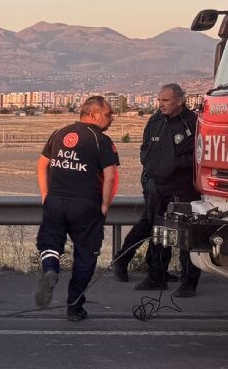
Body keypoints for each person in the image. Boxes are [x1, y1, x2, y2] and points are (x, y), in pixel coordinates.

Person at [34, 96, 120, 321]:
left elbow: (42, 164)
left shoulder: (59, 133)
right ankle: (74, 306)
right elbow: (110, 176)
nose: (112, 118)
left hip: (55, 202)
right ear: (94, 115)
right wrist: (105, 205)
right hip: (85, 206)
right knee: (85, 256)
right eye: (109, 114)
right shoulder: (101, 140)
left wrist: (45, 194)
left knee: (50, 242)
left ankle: (50, 269)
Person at [135, 83, 202, 297]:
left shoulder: (192, 123)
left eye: (165, 100)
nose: (161, 104)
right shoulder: (155, 121)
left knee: (184, 237)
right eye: (159, 100)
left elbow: (198, 156)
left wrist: (173, 163)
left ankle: (189, 281)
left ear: (180, 100)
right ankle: (157, 275)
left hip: (182, 189)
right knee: (158, 234)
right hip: (157, 188)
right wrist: (150, 164)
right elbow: (145, 148)